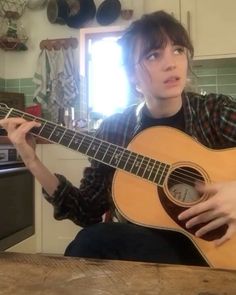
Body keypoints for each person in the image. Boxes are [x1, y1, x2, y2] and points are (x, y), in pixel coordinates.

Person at [1, 10, 236, 267]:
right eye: (153, 55)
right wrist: (31, 159)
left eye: (178, 50)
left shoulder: (214, 111)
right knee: (92, 240)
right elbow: (86, 211)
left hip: (219, 246)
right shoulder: (115, 129)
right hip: (154, 249)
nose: (171, 63)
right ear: (131, 75)